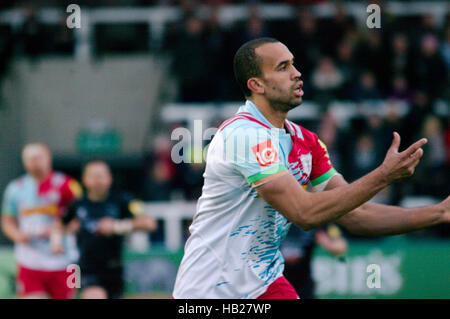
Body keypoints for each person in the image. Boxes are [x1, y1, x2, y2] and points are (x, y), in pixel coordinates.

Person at [172, 37, 450, 299]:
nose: (297, 73)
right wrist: (383, 176)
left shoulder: (306, 141)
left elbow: (357, 214)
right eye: (283, 67)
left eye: (293, 63)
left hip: (264, 282)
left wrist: (440, 212)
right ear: (256, 84)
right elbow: (304, 212)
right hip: (209, 291)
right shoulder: (244, 134)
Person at [58, 160, 157, 299]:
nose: (98, 180)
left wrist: (117, 226)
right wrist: (66, 232)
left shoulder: (123, 200)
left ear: (110, 178)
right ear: (85, 179)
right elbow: (59, 226)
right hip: (86, 269)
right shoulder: (77, 204)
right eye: (93, 176)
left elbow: (149, 223)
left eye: (101, 175)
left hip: (114, 270)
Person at [1, 142, 82, 299]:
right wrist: (17, 235)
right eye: (29, 159)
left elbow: (80, 220)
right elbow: (7, 221)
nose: (34, 162)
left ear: (48, 158)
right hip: (29, 261)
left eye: (38, 157)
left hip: (67, 261)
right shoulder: (15, 188)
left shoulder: (68, 185)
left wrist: (59, 231)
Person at [281, 224, 347, 299]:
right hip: (275, 281)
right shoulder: (274, 220)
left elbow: (339, 246)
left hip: (303, 283)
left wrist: (322, 237)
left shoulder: (315, 221)